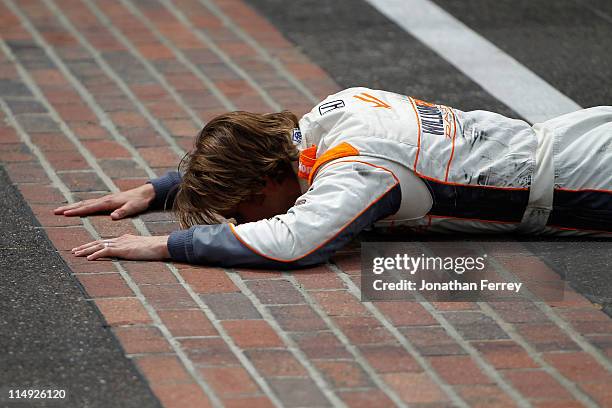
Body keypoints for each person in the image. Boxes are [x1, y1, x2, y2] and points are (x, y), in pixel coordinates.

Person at [55, 87, 612, 268]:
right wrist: (160, 189)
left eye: (238, 208)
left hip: (593, 186)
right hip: (583, 137)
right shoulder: (333, 111)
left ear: (266, 182)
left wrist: (165, 245)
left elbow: (296, 242)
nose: (240, 220)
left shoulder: (358, 173)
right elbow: (267, 161)